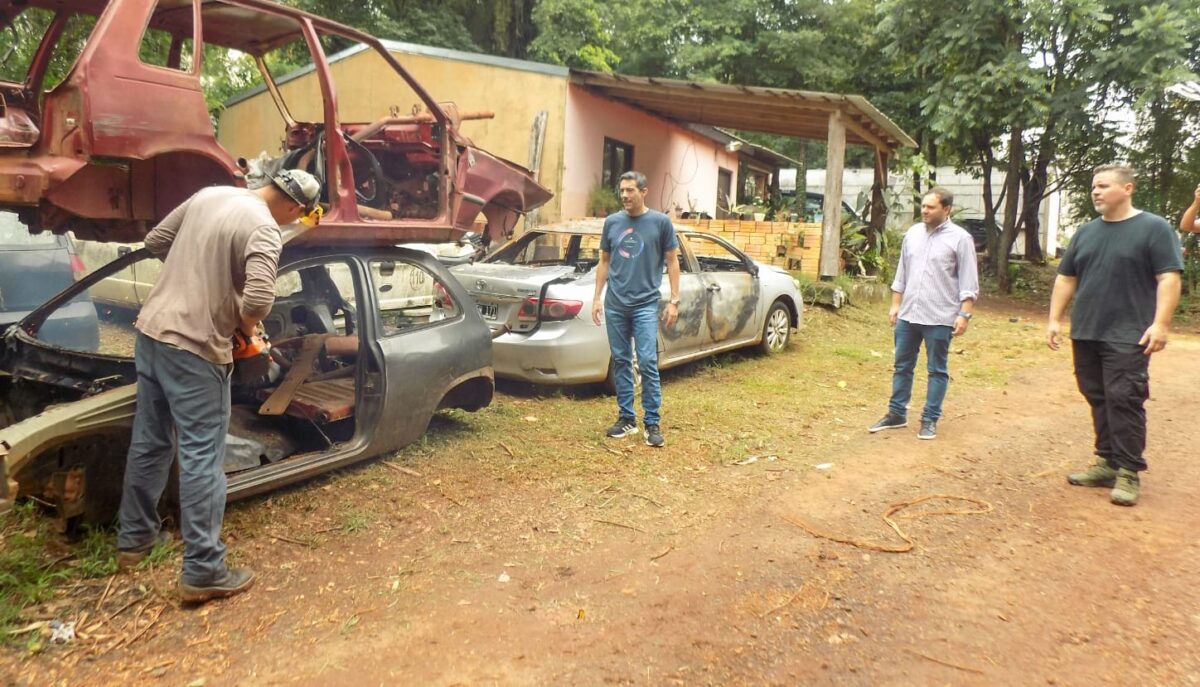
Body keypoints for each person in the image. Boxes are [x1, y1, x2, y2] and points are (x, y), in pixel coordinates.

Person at [116, 169, 322, 603]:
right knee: (202, 457)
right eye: (297, 217)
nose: (292, 222)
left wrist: (195, 275)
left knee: (151, 441)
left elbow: (156, 241)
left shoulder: (210, 194)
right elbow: (260, 301)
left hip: (153, 332)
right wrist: (247, 329)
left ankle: (135, 542)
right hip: (194, 347)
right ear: (293, 207)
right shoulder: (264, 227)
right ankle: (204, 570)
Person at [1048, 165, 1183, 507]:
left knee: (1124, 397)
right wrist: (1054, 320)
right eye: (1093, 186)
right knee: (1097, 395)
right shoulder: (1085, 233)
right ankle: (1107, 461)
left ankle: (1128, 470)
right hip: (1087, 330)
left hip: (1129, 332)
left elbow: (1169, 278)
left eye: (1103, 186)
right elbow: (1066, 279)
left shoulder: (1153, 228)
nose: (1095, 192)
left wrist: (1161, 324)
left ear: (1127, 189)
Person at [869, 187, 979, 440]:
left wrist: (965, 315)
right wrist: (895, 305)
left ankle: (930, 419)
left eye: (931, 207)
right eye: (923, 206)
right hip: (909, 314)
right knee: (902, 365)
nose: (924, 211)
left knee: (937, 370)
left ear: (946, 209)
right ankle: (896, 414)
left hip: (940, 317)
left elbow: (968, 282)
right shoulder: (913, 234)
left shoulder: (960, 239)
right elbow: (902, 273)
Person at [591, 171, 681, 448]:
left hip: (645, 304)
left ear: (644, 192)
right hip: (615, 304)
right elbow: (604, 261)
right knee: (620, 361)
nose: (625, 196)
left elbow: (672, 261)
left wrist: (674, 300)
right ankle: (626, 418)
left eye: (630, 190)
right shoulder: (612, 223)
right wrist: (597, 297)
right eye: (622, 190)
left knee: (647, 361)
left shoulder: (660, 223)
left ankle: (652, 422)